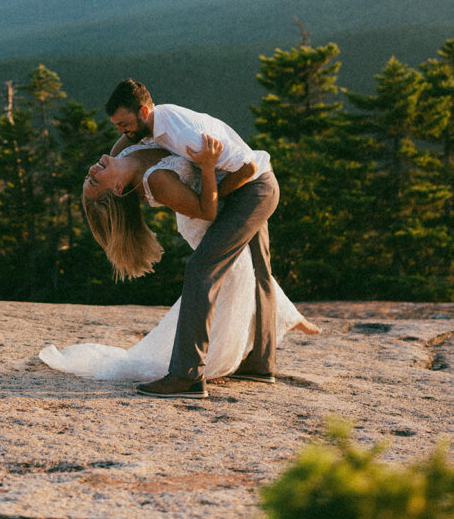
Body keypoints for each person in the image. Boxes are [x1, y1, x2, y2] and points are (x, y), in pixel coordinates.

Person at [38, 138, 319, 393]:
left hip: (231, 200)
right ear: (118, 188)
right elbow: (205, 208)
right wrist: (210, 167)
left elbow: (141, 124)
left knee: (249, 271)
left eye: (88, 178)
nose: (90, 171)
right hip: (204, 218)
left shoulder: (119, 154)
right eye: (93, 181)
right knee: (235, 277)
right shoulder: (156, 183)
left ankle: (255, 357)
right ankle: (202, 368)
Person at [105, 79, 285, 398]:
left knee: (203, 270)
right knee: (260, 273)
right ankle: (260, 365)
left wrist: (205, 189)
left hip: (253, 188)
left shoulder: (182, 133)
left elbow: (246, 168)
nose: (123, 132)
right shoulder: (153, 126)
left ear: (144, 111)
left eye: (125, 124)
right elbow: (122, 146)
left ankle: (186, 375)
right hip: (256, 184)